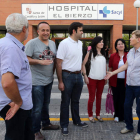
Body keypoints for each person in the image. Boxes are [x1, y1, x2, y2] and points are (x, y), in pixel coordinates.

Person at [0, 13, 34, 140]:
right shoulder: (10, 48)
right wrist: (18, 102)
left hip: (16, 103)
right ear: (24, 29)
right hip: (15, 104)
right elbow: (7, 82)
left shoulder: (5, 43)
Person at [25, 21, 59, 140]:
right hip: (36, 82)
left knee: (46, 104)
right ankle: (35, 131)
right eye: (43, 30)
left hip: (48, 80)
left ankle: (46, 124)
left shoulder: (52, 43)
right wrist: (40, 61)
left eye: (47, 30)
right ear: (38, 31)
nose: (45, 32)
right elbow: (26, 59)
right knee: (37, 108)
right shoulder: (32, 43)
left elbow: (54, 59)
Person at [104, 30, 140, 140]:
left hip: (139, 85)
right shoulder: (130, 53)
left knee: (139, 110)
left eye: (132, 37)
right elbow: (125, 66)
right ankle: (129, 126)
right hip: (129, 85)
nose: (130, 39)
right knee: (126, 106)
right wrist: (112, 73)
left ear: (138, 39)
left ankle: (139, 132)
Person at [56, 22, 88, 136]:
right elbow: (58, 63)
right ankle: (64, 125)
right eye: (81, 30)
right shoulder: (64, 43)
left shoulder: (80, 43)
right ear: (74, 31)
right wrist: (60, 81)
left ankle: (77, 121)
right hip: (67, 76)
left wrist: (83, 75)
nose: (82, 32)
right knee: (65, 102)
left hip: (78, 76)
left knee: (76, 101)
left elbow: (80, 61)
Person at [82, 36, 106, 123]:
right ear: (96, 43)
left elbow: (104, 66)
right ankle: (90, 114)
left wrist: (105, 76)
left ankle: (98, 114)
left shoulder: (103, 53)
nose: (102, 43)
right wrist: (85, 76)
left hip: (102, 79)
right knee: (91, 98)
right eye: (100, 42)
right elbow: (83, 64)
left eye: (103, 42)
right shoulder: (90, 52)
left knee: (99, 97)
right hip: (92, 78)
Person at [109, 38, 128, 122]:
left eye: (122, 43)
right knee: (116, 98)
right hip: (115, 81)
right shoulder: (113, 56)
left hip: (126, 81)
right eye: (119, 44)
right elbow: (110, 68)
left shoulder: (129, 55)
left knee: (124, 99)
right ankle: (116, 115)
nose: (121, 45)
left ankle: (123, 116)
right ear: (116, 46)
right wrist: (109, 78)